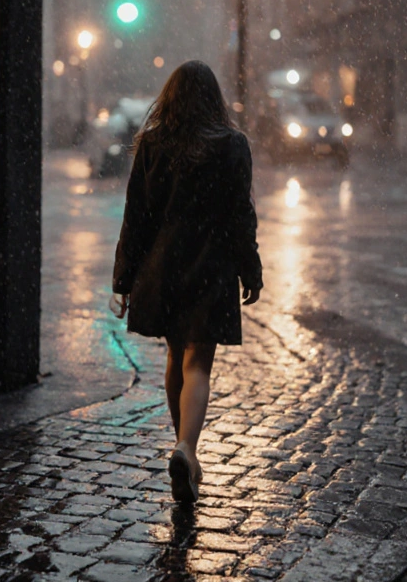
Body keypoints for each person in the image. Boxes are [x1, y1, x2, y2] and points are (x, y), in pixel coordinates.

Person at [111, 60, 262, 504]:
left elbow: (134, 216)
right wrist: (250, 270)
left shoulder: (153, 146)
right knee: (199, 363)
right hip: (211, 265)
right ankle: (187, 450)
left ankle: (184, 453)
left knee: (176, 355)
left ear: (169, 98)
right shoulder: (233, 146)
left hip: (164, 264)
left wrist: (124, 278)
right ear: (214, 100)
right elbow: (241, 217)